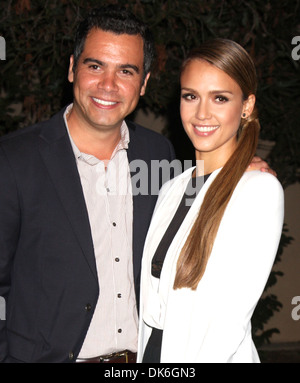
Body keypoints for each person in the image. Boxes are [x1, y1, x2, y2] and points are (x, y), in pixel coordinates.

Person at [0, 7, 274, 363]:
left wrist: (238, 170)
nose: (108, 85)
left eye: (125, 71)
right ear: (72, 69)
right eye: (95, 65)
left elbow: (198, 211)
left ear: (143, 83)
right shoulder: (13, 160)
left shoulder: (158, 155)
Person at [137, 38, 284, 363]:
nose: (202, 113)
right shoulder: (172, 189)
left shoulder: (258, 190)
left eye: (220, 98)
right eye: (191, 96)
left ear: (246, 106)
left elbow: (226, 323)